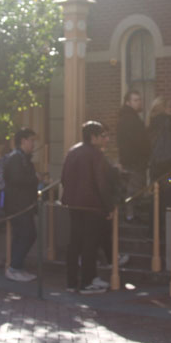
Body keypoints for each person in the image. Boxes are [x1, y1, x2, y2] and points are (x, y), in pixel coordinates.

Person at [62, 121, 115, 294]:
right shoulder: (96, 154)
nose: (104, 138)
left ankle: (71, 282)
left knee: (75, 242)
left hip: (73, 204)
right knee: (89, 244)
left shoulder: (72, 151)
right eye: (101, 135)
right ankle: (87, 281)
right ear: (93, 137)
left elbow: (64, 177)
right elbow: (102, 183)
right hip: (92, 206)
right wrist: (109, 207)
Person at [4, 128, 39, 282]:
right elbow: (17, 179)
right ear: (23, 141)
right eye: (31, 140)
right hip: (18, 205)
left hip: (24, 204)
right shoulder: (16, 158)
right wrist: (35, 178)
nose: (33, 143)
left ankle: (17, 267)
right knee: (27, 234)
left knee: (23, 235)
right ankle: (14, 267)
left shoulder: (23, 158)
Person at [117, 90, 150, 221]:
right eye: (135, 100)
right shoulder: (131, 120)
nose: (139, 102)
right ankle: (131, 215)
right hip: (135, 159)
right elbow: (138, 140)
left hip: (130, 159)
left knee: (132, 188)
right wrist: (146, 152)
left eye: (139, 99)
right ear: (128, 102)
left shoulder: (127, 118)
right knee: (134, 189)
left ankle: (131, 213)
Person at [147, 97, 171, 209]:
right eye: (169, 107)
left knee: (156, 196)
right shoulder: (168, 122)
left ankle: (155, 224)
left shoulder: (150, 124)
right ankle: (168, 224)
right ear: (165, 108)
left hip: (155, 165)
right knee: (169, 194)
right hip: (168, 165)